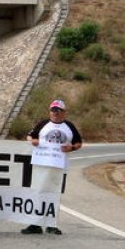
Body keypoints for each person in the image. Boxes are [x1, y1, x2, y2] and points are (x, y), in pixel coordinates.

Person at [22, 100, 83, 235]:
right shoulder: (43, 124)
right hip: (41, 164)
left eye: (58, 110)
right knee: (38, 191)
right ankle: (35, 224)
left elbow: (78, 143)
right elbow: (30, 135)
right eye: (53, 110)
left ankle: (51, 224)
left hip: (59, 165)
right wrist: (33, 141)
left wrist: (71, 148)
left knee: (54, 193)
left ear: (64, 113)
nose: (55, 113)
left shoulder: (69, 126)